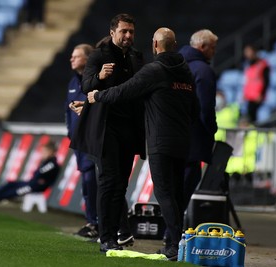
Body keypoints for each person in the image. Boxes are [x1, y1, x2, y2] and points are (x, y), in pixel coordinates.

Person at [87, 27, 198, 260]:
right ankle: (173, 243)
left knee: (165, 193)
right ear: (175, 44)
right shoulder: (186, 72)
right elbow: (195, 108)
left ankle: (175, 246)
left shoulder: (155, 70)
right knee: (176, 194)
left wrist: (97, 96)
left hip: (161, 141)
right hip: (183, 140)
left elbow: (124, 91)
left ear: (155, 45)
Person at [70, 14, 145, 252]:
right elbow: (85, 86)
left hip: (129, 128)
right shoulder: (99, 55)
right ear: (112, 32)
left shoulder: (136, 57)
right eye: (124, 31)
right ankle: (107, 237)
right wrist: (100, 77)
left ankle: (115, 236)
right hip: (105, 129)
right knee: (108, 182)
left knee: (121, 185)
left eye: (131, 32)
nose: (128, 36)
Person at [178, 29, 218, 211]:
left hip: (172, 134)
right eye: (212, 48)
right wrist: (212, 130)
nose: (214, 52)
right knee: (187, 182)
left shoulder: (175, 64)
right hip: (194, 139)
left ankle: (168, 230)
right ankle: (172, 234)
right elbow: (206, 108)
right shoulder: (203, 70)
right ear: (202, 47)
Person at [65, 43, 99, 238]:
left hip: (92, 140)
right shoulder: (72, 82)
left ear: (87, 59)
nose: (72, 59)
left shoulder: (94, 81)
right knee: (87, 184)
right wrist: (70, 132)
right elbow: (66, 111)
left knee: (91, 181)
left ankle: (97, 222)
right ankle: (91, 221)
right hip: (78, 142)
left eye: (76, 56)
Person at [0, 141, 60, 208]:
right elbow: (38, 174)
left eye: (44, 151)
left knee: (13, 192)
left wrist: (41, 180)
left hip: (36, 186)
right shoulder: (47, 162)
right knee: (10, 184)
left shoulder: (52, 163)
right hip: (32, 183)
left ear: (50, 151)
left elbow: (39, 174)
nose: (42, 153)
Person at [242, 44, 270, 123]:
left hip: (257, 96)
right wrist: (245, 93)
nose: (247, 54)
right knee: (248, 116)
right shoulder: (248, 65)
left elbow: (266, 81)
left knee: (254, 117)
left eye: (248, 52)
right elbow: (248, 81)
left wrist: (261, 94)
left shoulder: (263, 65)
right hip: (249, 96)